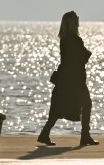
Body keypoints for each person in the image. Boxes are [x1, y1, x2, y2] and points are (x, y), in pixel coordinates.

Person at [38, 11, 99, 146]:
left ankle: (44, 134)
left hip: (65, 79)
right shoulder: (74, 40)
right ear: (72, 23)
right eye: (76, 19)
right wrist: (87, 53)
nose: (78, 21)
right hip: (74, 80)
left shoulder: (65, 39)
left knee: (58, 108)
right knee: (86, 104)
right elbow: (82, 57)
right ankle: (85, 136)